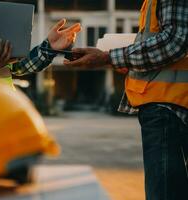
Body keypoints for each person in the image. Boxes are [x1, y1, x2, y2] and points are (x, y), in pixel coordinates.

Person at [64, 0, 188, 199]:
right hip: (169, 102)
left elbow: (175, 41)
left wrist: (110, 57)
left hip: (168, 106)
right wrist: (123, 59)